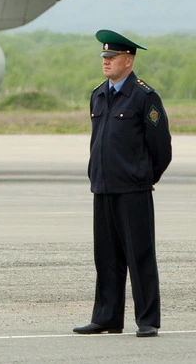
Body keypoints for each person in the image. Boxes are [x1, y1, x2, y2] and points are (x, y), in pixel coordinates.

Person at [73, 30, 172, 338]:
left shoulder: (144, 97)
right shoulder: (99, 94)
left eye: (112, 57)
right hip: (103, 186)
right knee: (106, 257)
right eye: (104, 57)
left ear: (128, 61)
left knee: (139, 254)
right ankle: (107, 317)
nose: (106, 61)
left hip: (133, 189)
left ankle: (147, 319)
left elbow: (161, 148)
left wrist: (143, 176)